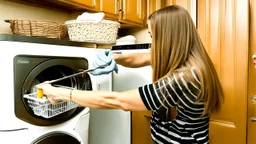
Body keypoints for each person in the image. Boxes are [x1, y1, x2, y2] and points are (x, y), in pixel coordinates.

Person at [37, 5, 224, 144]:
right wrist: (113, 57)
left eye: (152, 36)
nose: (152, 42)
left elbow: (120, 101)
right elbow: (142, 58)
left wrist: (61, 93)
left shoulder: (183, 78)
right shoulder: (194, 62)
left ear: (168, 38)